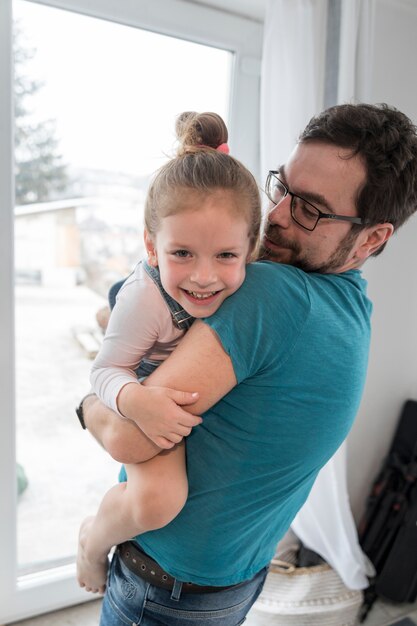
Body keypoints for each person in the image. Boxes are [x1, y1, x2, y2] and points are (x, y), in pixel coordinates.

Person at [79, 103, 417, 626]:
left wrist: (85, 402)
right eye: (281, 187)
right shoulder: (352, 307)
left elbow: (128, 438)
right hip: (238, 576)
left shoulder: (275, 293)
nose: (278, 214)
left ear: (372, 238)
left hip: (166, 588)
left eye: (311, 209)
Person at [76, 111, 262, 595]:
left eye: (225, 256)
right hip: (141, 377)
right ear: (152, 247)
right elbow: (105, 369)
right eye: (182, 254)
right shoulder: (144, 300)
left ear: (250, 250)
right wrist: (138, 401)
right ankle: (91, 543)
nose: (204, 277)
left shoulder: (251, 277)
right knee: (158, 501)